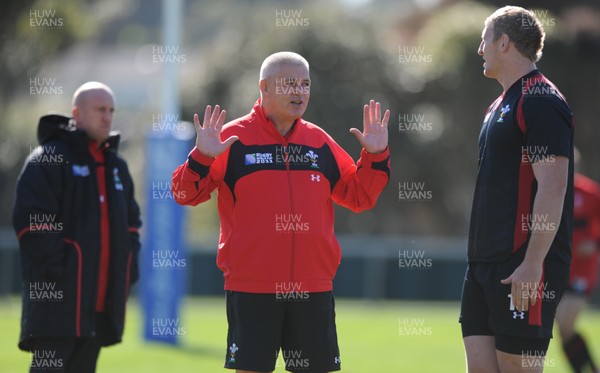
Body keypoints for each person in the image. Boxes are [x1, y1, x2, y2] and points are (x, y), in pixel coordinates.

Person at [172, 51, 390, 373]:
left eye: (304, 84)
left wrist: (375, 156)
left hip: (313, 288)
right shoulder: (231, 140)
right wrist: (201, 157)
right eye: (289, 84)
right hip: (252, 288)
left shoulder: (319, 142)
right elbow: (183, 194)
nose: (299, 91)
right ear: (264, 87)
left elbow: (359, 196)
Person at [459, 6, 574, 373]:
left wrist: (533, 262)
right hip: (483, 263)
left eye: (484, 40)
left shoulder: (540, 99)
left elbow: (553, 187)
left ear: (504, 43)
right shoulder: (498, 104)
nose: (480, 49)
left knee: (517, 368)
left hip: (522, 263)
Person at [13, 81, 142, 373]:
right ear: (77, 114)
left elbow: (132, 225)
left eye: (111, 110)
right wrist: (61, 269)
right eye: (99, 109)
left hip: (98, 306)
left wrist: (127, 266)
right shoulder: (49, 159)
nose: (107, 117)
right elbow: (31, 221)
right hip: (58, 304)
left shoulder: (116, 166)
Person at [555, 166, 600, 373]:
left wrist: (596, 243)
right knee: (564, 331)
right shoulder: (549, 191)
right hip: (558, 270)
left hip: (582, 271)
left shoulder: (590, 192)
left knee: (565, 324)